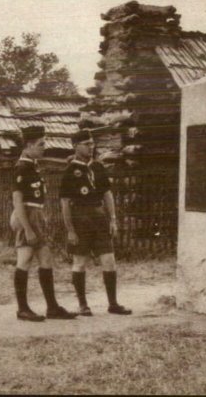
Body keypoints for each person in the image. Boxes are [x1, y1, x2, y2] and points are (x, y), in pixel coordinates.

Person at [60, 130, 132, 316]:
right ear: (76, 146)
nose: (91, 147)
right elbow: (65, 203)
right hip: (80, 219)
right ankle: (83, 305)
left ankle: (113, 304)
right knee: (79, 262)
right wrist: (70, 230)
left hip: (99, 218)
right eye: (86, 144)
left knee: (109, 260)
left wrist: (113, 220)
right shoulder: (69, 171)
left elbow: (107, 194)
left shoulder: (98, 167)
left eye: (92, 144)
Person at [11, 125, 77, 322]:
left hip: (38, 217)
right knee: (24, 260)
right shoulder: (21, 168)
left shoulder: (33, 166)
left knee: (46, 260)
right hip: (29, 218)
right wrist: (28, 229)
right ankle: (22, 309)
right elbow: (17, 201)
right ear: (29, 145)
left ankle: (52, 307)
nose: (44, 148)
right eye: (40, 145)